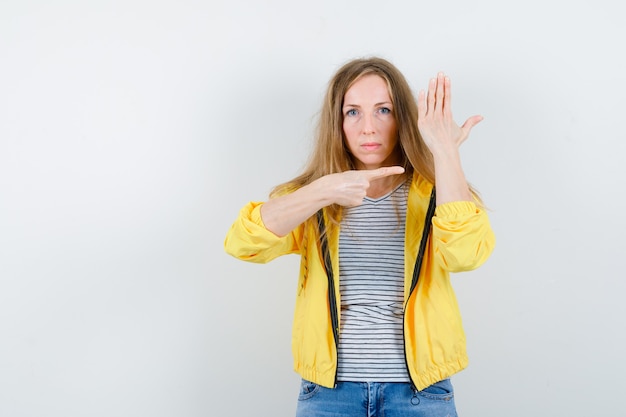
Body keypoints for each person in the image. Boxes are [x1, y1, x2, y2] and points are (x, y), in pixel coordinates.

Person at [224, 56, 495, 416]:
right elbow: (243, 243)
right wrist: (321, 190)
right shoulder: (316, 196)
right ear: (337, 121)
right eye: (353, 112)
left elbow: (465, 255)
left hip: (421, 394)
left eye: (383, 110)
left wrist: (445, 153)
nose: (368, 127)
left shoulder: (437, 191)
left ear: (403, 118)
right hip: (329, 396)